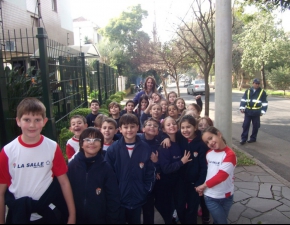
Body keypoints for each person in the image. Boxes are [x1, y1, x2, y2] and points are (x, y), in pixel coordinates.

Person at [0, 97, 76, 224]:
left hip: (47, 214)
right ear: (18, 121)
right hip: (19, 215)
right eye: (27, 120)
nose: (32, 125)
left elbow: (64, 182)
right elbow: (1, 191)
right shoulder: (8, 151)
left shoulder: (52, 147)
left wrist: (72, 216)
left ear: (45, 121)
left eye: (37, 120)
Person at [105, 114, 155, 224]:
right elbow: (108, 174)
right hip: (119, 199)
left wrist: (146, 190)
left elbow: (150, 172)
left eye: (132, 126)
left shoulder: (145, 148)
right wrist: (114, 193)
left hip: (138, 197)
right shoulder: (113, 149)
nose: (129, 130)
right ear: (120, 130)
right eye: (126, 127)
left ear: (138, 127)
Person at [67, 127, 120, 224]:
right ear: (81, 144)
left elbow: (113, 196)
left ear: (101, 145)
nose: (92, 142)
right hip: (76, 218)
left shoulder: (106, 168)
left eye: (96, 140)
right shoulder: (72, 166)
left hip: (99, 219)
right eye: (87, 140)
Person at [196, 126, 237, 224]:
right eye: (207, 142)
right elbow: (210, 172)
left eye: (210, 138)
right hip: (210, 196)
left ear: (218, 134)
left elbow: (221, 176)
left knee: (218, 221)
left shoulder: (230, 154)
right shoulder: (209, 153)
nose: (210, 143)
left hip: (227, 196)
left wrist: (203, 186)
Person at [154, 116, 191, 224]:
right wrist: (181, 162)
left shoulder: (180, 138)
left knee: (180, 205)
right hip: (167, 182)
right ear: (164, 129)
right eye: (168, 125)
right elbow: (166, 169)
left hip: (179, 180)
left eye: (174, 123)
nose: (172, 126)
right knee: (168, 208)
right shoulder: (165, 146)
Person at [239, 78, 268, 145]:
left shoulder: (262, 92)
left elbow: (264, 103)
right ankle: (243, 139)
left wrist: (263, 111)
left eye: (258, 84)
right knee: (245, 125)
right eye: (256, 83)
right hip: (248, 111)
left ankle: (253, 138)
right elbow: (243, 100)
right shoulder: (248, 91)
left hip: (257, 111)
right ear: (253, 83)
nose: (257, 85)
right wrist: (242, 107)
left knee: (255, 126)